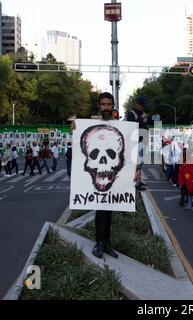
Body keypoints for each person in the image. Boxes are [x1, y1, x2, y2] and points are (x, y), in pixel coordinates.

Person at [71, 92, 141, 260]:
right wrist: (73, 127)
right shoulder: (89, 124)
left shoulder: (123, 127)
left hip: (115, 177)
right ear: (99, 106)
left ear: (113, 106)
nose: (106, 108)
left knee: (108, 209)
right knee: (101, 208)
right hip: (98, 178)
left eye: (109, 104)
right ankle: (100, 242)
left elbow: (132, 148)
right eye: (103, 104)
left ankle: (106, 242)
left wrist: (137, 168)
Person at [126, 96, 150, 190]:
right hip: (137, 142)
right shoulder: (131, 113)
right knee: (137, 163)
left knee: (141, 162)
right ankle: (136, 183)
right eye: (142, 105)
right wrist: (141, 118)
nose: (143, 107)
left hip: (143, 141)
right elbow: (132, 126)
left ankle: (139, 180)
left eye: (143, 106)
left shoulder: (142, 113)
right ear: (137, 104)